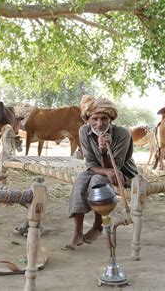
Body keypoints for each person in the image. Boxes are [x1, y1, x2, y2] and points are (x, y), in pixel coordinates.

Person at [62, 95, 138, 250]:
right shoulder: (83, 131)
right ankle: (77, 231)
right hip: (98, 169)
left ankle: (98, 225)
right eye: (94, 119)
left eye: (104, 118)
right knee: (82, 178)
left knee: (97, 179)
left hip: (122, 174)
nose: (99, 124)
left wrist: (104, 152)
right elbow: (89, 163)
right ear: (87, 119)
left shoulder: (123, 134)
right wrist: (101, 156)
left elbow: (114, 168)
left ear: (111, 119)